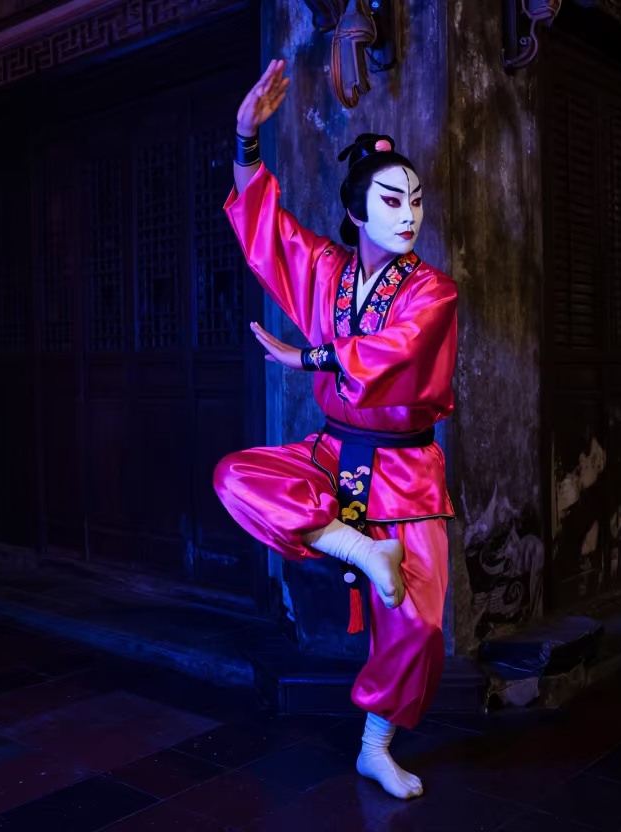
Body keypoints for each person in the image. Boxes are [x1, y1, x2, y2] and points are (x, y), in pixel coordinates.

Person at [213, 59, 458, 800]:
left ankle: (375, 747)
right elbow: (265, 230)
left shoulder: (432, 290)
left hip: (406, 472)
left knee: (419, 629)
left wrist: (308, 354)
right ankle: (357, 548)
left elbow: (397, 353)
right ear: (357, 212)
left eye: (415, 200)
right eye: (392, 200)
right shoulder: (324, 269)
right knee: (236, 477)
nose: (408, 214)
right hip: (333, 454)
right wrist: (246, 136)